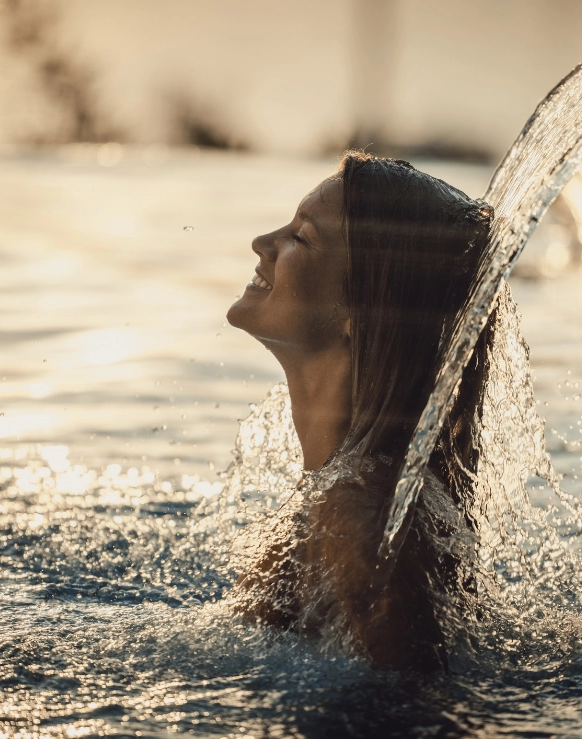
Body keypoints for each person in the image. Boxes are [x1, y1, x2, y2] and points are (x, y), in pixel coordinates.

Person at [225, 151, 496, 671]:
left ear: (360, 312)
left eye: (301, 238)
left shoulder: (355, 514)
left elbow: (410, 695)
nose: (262, 243)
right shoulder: (351, 493)